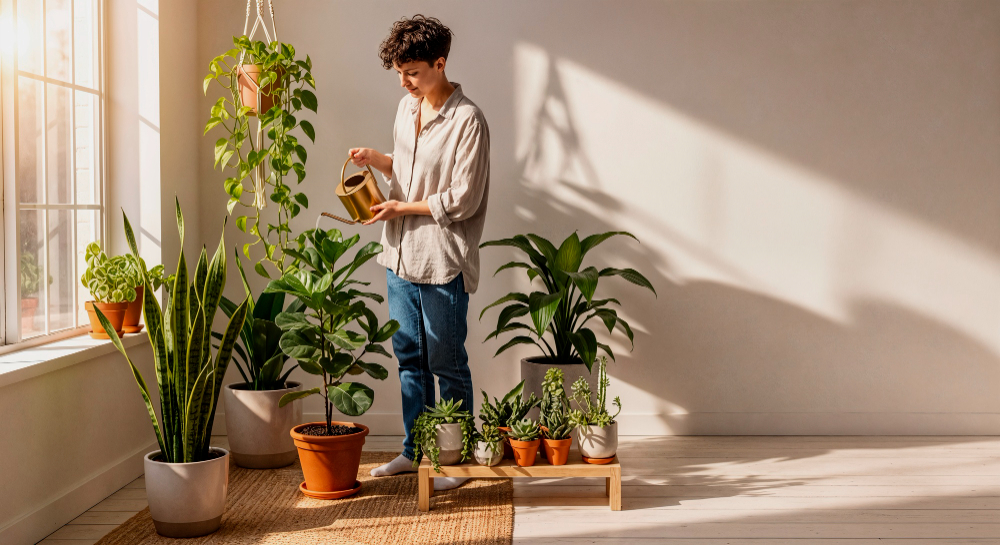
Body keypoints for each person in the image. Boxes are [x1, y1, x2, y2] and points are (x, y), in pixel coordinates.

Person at [348, 15, 490, 491]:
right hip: (400, 256)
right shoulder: (405, 111)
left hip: (441, 258)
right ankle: (414, 451)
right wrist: (379, 159)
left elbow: (461, 198)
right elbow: (408, 168)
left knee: (446, 361)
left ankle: (455, 460)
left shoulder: (468, 120)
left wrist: (401, 207)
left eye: (412, 71)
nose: (405, 81)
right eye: (399, 73)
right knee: (409, 356)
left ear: (440, 63)